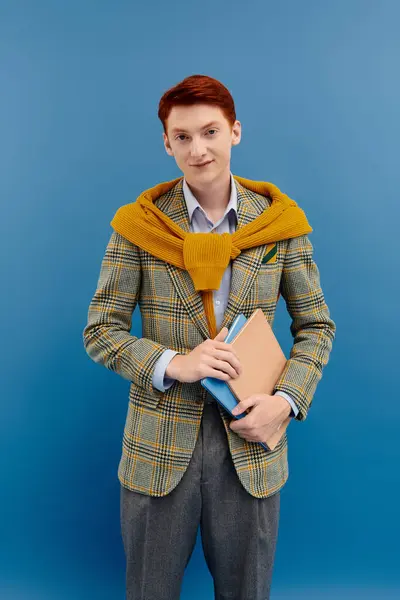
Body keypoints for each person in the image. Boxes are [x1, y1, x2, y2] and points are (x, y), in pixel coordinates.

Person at [82, 74, 336, 600]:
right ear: (167, 143)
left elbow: (316, 327)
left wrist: (286, 403)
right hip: (158, 448)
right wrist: (176, 363)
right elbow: (100, 330)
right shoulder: (138, 225)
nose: (198, 150)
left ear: (235, 132)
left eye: (210, 132)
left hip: (251, 445)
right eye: (182, 137)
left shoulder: (280, 224)